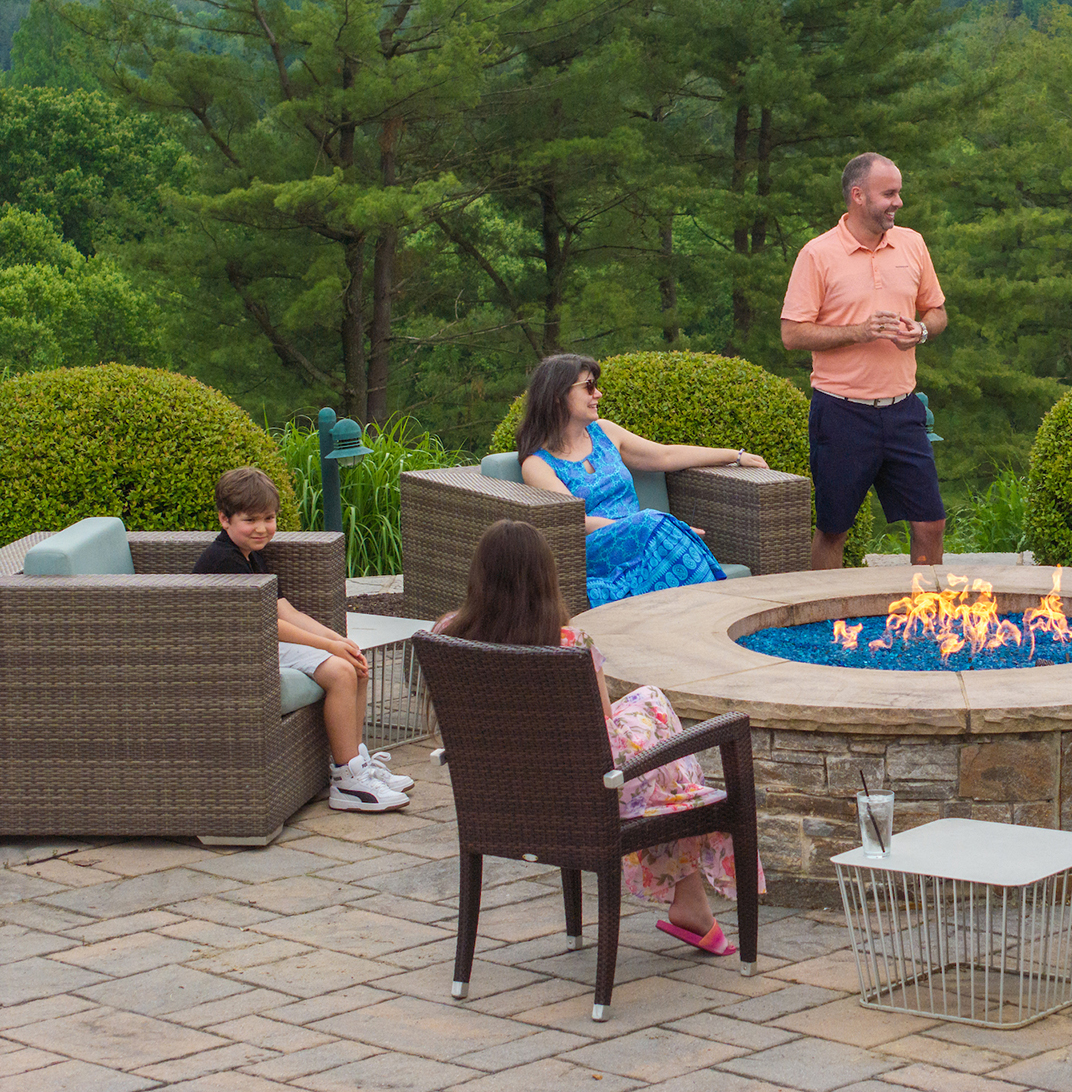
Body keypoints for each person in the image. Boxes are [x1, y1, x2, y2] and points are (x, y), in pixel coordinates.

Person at [435, 520, 764, 956]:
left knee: (648, 711)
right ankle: (691, 901)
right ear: (545, 579)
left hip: (508, 795)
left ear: (479, 576)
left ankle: (692, 904)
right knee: (656, 719)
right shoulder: (567, 644)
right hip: (588, 795)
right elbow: (603, 721)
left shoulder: (446, 637)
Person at [193, 467, 409, 812]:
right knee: (340, 672)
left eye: (269, 518)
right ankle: (347, 781)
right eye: (250, 520)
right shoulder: (223, 561)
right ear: (224, 519)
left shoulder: (252, 555)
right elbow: (266, 623)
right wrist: (328, 647)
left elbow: (285, 611)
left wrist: (338, 639)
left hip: (259, 642)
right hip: (237, 652)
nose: (262, 528)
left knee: (354, 663)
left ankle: (358, 763)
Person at [781, 152, 949, 569]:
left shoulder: (912, 243)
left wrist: (921, 331)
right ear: (858, 195)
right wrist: (858, 331)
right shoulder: (818, 254)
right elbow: (792, 333)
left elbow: (937, 311)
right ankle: (826, 610)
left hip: (904, 410)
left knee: (931, 523)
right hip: (841, 413)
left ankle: (925, 606)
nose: (898, 202)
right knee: (833, 529)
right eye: (889, 194)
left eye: (898, 193)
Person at [516, 354, 768, 607]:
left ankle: (711, 610)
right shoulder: (538, 464)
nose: (598, 394)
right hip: (595, 548)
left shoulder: (604, 432)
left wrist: (734, 456)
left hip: (643, 538)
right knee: (651, 521)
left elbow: (665, 455)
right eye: (589, 386)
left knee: (655, 528)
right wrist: (650, 527)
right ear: (557, 396)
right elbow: (577, 521)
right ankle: (722, 608)